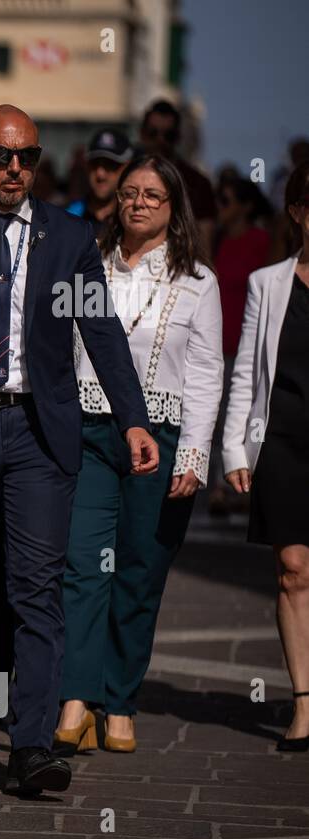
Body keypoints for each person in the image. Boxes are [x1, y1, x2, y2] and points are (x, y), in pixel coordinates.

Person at [0, 104, 158, 796]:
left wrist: (133, 420)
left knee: (37, 591)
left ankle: (34, 745)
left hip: (40, 431)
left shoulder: (68, 239)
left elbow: (102, 332)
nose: (16, 170)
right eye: (2, 156)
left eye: (28, 158)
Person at [55, 156, 223, 754]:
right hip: (90, 431)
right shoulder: (87, 267)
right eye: (130, 192)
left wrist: (194, 455)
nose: (139, 203)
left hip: (164, 435)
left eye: (153, 194)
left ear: (174, 207)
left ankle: (119, 699)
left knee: (140, 568)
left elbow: (206, 374)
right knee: (82, 565)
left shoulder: (198, 281)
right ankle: (76, 698)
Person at [223, 160, 309, 752]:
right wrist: (235, 445)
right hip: (282, 442)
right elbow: (247, 373)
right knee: (294, 570)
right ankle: (304, 703)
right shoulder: (268, 283)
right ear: (298, 212)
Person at [208, 179, 273, 512]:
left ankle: (246, 483)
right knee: (217, 418)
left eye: (227, 199)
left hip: (249, 344)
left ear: (246, 206)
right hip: (216, 344)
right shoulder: (217, 238)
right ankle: (220, 487)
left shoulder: (262, 241)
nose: (220, 206)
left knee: (248, 417)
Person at [139, 100, 217, 252]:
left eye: (168, 135)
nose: (160, 140)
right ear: (142, 134)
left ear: (178, 137)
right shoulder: (125, 175)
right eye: (153, 133)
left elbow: (205, 246)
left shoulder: (198, 183)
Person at [66, 127, 133, 238]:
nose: (100, 174)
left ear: (126, 168)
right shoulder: (67, 216)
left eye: (110, 164)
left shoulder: (135, 218)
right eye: (95, 164)